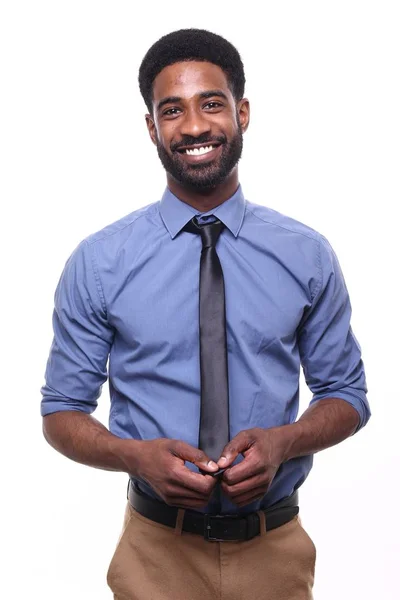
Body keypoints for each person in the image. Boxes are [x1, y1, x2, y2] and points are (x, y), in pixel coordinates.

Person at [41, 28, 370, 600]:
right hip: (154, 556)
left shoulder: (306, 253)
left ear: (242, 112)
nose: (194, 127)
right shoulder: (99, 263)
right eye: (172, 110)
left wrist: (283, 443)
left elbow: (347, 395)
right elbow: (61, 411)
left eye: (211, 104)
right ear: (152, 127)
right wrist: (134, 456)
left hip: (275, 551)